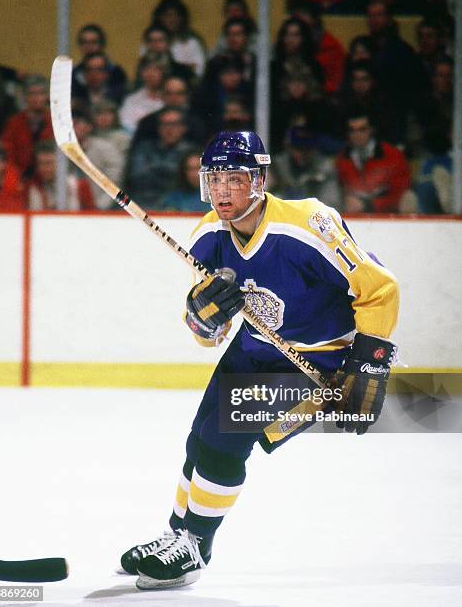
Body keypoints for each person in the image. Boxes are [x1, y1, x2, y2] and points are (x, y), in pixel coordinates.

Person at [119, 130, 399, 589]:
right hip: (254, 347)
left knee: (224, 441)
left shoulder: (309, 223)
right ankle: (177, 535)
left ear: (260, 179)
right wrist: (202, 316)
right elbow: (209, 336)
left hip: (321, 364)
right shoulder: (207, 236)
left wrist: (368, 367)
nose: (223, 190)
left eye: (236, 177)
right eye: (215, 178)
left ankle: (193, 546)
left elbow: (380, 288)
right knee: (198, 441)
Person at [336, 110, 411, 213]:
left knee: (409, 199)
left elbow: (400, 193)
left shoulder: (392, 155)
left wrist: (369, 205)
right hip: (355, 216)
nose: (357, 134)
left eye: (362, 129)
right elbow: (341, 193)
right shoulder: (342, 159)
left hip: (391, 214)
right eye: (352, 130)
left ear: (371, 130)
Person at [124, 106, 195, 208]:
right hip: (142, 202)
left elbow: (186, 182)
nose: (169, 129)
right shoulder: (143, 148)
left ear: (183, 128)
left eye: (174, 124)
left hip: (179, 205)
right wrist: (169, 171)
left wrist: (154, 169)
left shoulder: (191, 151)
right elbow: (136, 177)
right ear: (158, 127)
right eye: (165, 124)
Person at [1, 75, 54, 179]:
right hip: (20, 177)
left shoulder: (56, 122)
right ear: (25, 97)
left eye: (40, 93)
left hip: (49, 177)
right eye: (32, 94)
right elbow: (6, 154)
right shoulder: (14, 123)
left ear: (47, 96)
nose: (36, 98)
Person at [24, 140, 94, 210]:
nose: (43, 168)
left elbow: (91, 216)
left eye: (48, 163)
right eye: (40, 163)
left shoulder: (80, 187)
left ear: (61, 164)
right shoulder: (31, 188)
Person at [146, 0, 206, 78]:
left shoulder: (192, 41)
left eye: (175, 15)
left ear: (182, 18)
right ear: (160, 17)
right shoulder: (151, 39)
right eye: (167, 15)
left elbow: (199, 71)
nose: (171, 19)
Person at [72, 24, 127, 103]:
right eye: (84, 42)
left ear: (102, 44)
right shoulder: (75, 73)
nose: (88, 46)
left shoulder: (116, 72)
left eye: (93, 42)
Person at [119, 56, 166, 135]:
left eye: (156, 69)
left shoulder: (170, 97)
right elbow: (125, 123)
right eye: (147, 69)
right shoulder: (131, 99)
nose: (151, 74)